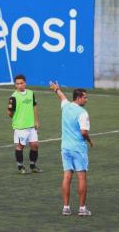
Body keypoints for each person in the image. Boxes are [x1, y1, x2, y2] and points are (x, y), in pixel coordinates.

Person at [49, 82, 93, 216]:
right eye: (85, 97)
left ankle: (66, 207)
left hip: (65, 148)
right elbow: (84, 132)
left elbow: (62, 97)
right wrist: (90, 141)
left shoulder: (66, 106)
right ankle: (82, 208)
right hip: (78, 149)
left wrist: (56, 89)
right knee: (81, 177)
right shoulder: (83, 113)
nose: (86, 99)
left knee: (67, 176)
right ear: (78, 98)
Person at [7, 75, 41, 174]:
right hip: (20, 127)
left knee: (35, 145)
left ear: (25, 83)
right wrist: (16, 119)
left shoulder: (31, 93)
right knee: (20, 146)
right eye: (17, 84)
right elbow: (9, 112)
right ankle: (20, 166)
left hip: (31, 126)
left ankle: (33, 165)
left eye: (21, 83)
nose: (19, 85)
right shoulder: (13, 97)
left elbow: (34, 107)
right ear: (15, 85)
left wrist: (36, 121)